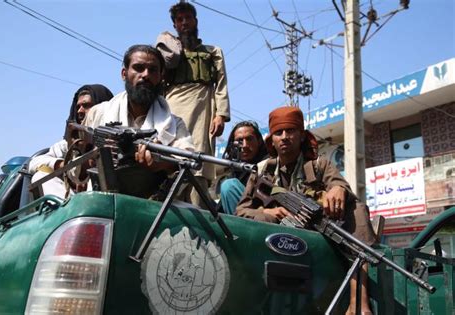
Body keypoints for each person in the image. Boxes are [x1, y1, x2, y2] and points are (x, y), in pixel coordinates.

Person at [236, 106, 376, 315]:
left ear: (301, 135)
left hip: (314, 236)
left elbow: (340, 186)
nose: (284, 137)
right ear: (271, 140)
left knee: (357, 209)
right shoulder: (263, 170)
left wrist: (338, 189)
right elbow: (241, 211)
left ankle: (359, 304)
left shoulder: (319, 165)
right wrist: (268, 214)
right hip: (275, 238)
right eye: (278, 132)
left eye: (291, 131)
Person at [83, 45, 194, 190]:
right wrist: (95, 158)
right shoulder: (99, 113)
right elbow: (75, 166)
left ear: (161, 77)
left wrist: (162, 163)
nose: (145, 75)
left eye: (153, 70)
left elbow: (189, 164)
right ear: (124, 74)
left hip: (152, 206)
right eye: (138, 68)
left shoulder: (174, 124)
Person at [156, 1, 230, 208]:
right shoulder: (168, 54)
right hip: (172, 109)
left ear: (196, 21)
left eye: (188, 18)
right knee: (170, 162)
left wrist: (220, 115)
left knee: (199, 166)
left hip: (202, 111)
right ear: (175, 25)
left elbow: (221, 84)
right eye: (179, 20)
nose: (184, 22)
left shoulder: (213, 51)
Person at [28, 84, 114, 197]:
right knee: (40, 176)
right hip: (75, 207)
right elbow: (34, 163)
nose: (80, 111)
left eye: (86, 105)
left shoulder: (112, 140)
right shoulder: (70, 143)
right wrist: (65, 165)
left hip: (106, 202)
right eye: (78, 107)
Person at [219, 121, 267, 214]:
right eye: (240, 140)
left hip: (261, 217)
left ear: (259, 141)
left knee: (229, 186)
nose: (245, 145)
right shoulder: (235, 169)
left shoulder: (267, 164)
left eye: (249, 139)